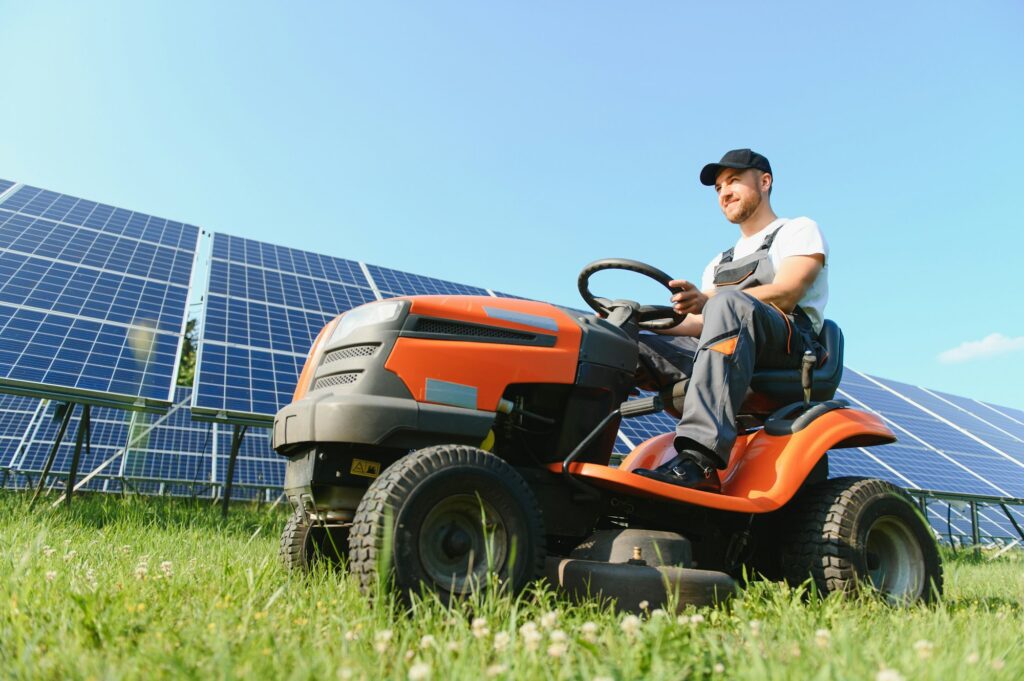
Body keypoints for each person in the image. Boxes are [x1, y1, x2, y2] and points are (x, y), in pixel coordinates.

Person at [633, 149, 829, 492]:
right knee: (622, 337)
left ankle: (699, 461)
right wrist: (641, 321)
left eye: (734, 181)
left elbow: (788, 291)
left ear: (765, 182)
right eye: (719, 187)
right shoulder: (719, 262)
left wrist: (709, 300)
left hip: (786, 347)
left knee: (727, 302)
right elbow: (700, 325)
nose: (724, 192)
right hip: (729, 343)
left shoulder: (798, 230)